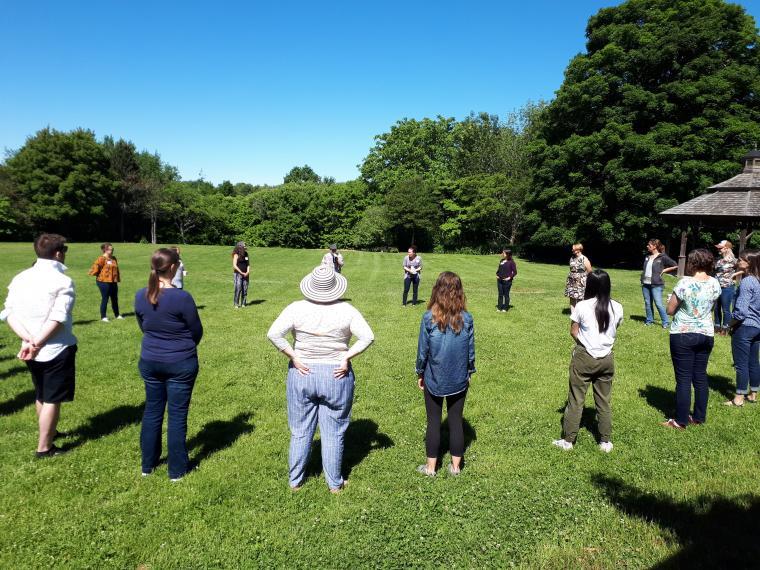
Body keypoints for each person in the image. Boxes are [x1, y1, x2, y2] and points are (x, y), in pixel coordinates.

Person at [267, 265, 374, 493]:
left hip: (301, 373)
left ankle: (295, 481)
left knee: (300, 430)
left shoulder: (296, 308)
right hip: (336, 374)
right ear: (335, 287)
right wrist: (346, 356)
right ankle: (334, 484)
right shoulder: (347, 310)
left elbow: (274, 333)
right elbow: (367, 337)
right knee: (334, 431)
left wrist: (293, 356)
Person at [2, 234, 77, 457]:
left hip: (29, 347)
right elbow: (58, 317)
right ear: (57, 253)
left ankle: (49, 432)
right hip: (55, 347)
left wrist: (28, 340)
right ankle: (45, 447)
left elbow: (8, 313)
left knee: (41, 393)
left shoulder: (20, 278)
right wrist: (37, 342)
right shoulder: (63, 281)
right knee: (53, 398)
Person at [135, 248, 203, 481]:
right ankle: (176, 470)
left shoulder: (140, 295)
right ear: (173, 268)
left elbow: (144, 326)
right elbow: (196, 331)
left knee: (152, 411)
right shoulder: (182, 298)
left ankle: (148, 465)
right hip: (180, 362)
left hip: (150, 360)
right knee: (176, 415)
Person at [553, 270, 623, 452]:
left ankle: (568, 440)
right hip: (607, 357)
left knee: (576, 398)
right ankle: (605, 441)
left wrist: (584, 345)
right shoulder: (617, 307)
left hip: (584, 356)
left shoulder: (582, 307)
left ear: (589, 285)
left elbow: (573, 331)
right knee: (604, 400)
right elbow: (615, 329)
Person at [415, 272, 475, 476]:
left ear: (437, 290)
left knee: (434, 421)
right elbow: (470, 351)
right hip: (458, 377)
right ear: (459, 292)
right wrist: (469, 371)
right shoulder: (466, 318)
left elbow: (423, 350)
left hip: (435, 377)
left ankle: (431, 469)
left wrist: (420, 372)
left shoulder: (429, 317)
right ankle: (455, 468)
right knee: (456, 421)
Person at [662, 249, 721, 429]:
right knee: (700, 376)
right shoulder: (715, 283)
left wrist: (669, 301)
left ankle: (680, 420)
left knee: (684, 378)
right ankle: (698, 417)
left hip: (683, 333)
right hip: (705, 334)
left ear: (692, 263)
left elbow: (670, 310)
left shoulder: (684, 283)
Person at [725, 249, 760, 406]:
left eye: (740, 259)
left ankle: (739, 398)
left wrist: (729, 325)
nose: (737, 262)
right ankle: (753, 394)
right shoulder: (758, 280)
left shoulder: (747, 282)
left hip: (744, 327)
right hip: (757, 327)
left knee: (741, 364)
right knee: (753, 362)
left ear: (749, 263)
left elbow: (740, 312)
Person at [641, 239, 678, 328]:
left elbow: (675, 265)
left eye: (649, 245)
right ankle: (649, 320)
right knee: (647, 303)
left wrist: (665, 270)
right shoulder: (647, 256)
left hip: (657, 284)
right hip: (645, 284)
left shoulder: (662, 257)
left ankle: (665, 322)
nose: (647, 246)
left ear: (655, 246)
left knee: (658, 303)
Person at [88, 242, 122, 322]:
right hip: (103, 282)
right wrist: (97, 274)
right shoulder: (101, 259)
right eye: (110, 249)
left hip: (113, 281)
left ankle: (117, 315)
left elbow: (116, 270)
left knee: (114, 298)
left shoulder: (114, 258)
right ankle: (103, 317)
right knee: (105, 298)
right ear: (105, 250)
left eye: (112, 249)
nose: (112, 250)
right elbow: (95, 268)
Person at [713, 239, 737, 335]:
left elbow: (746, 269)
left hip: (727, 287)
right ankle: (717, 327)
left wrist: (735, 277)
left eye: (721, 248)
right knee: (716, 308)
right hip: (716, 287)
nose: (719, 250)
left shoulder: (734, 261)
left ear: (726, 248)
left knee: (726, 309)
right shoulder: (719, 259)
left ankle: (726, 329)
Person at [564, 244, 592, 315]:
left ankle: (580, 313)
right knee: (572, 297)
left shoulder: (584, 259)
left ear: (578, 249)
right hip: (571, 280)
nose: (572, 250)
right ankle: (573, 314)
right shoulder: (572, 258)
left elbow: (590, 271)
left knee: (580, 297)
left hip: (580, 281)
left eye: (573, 249)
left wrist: (584, 278)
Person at [232, 241, 250, 308]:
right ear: (240, 246)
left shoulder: (246, 254)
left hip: (246, 274)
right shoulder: (236, 254)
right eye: (244, 245)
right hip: (238, 274)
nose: (245, 247)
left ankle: (243, 303)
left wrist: (247, 272)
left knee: (245, 289)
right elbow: (234, 265)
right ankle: (236, 304)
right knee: (238, 288)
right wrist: (241, 272)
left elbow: (248, 264)